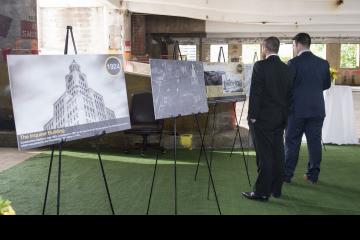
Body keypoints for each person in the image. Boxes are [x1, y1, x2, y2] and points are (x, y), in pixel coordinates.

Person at [242, 37, 293, 201]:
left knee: (265, 156)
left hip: (263, 118)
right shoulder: (287, 68)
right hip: (280, 118)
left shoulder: (260, 66)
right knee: (278, 153)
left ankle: (262, 192)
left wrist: (252, 116)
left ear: (264, 48)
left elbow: (256, 93)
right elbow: (289, 96)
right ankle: (276, 188)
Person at [284, 33, 331, 184]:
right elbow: (326, 85)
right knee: (315, 142)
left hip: (296, 110)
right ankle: (313, 175)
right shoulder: (323, 63)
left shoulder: (293, 63)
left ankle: (287, 175)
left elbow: (287, 87)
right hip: (317, 109)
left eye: (293, 45)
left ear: (297, 44)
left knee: (292, 143)